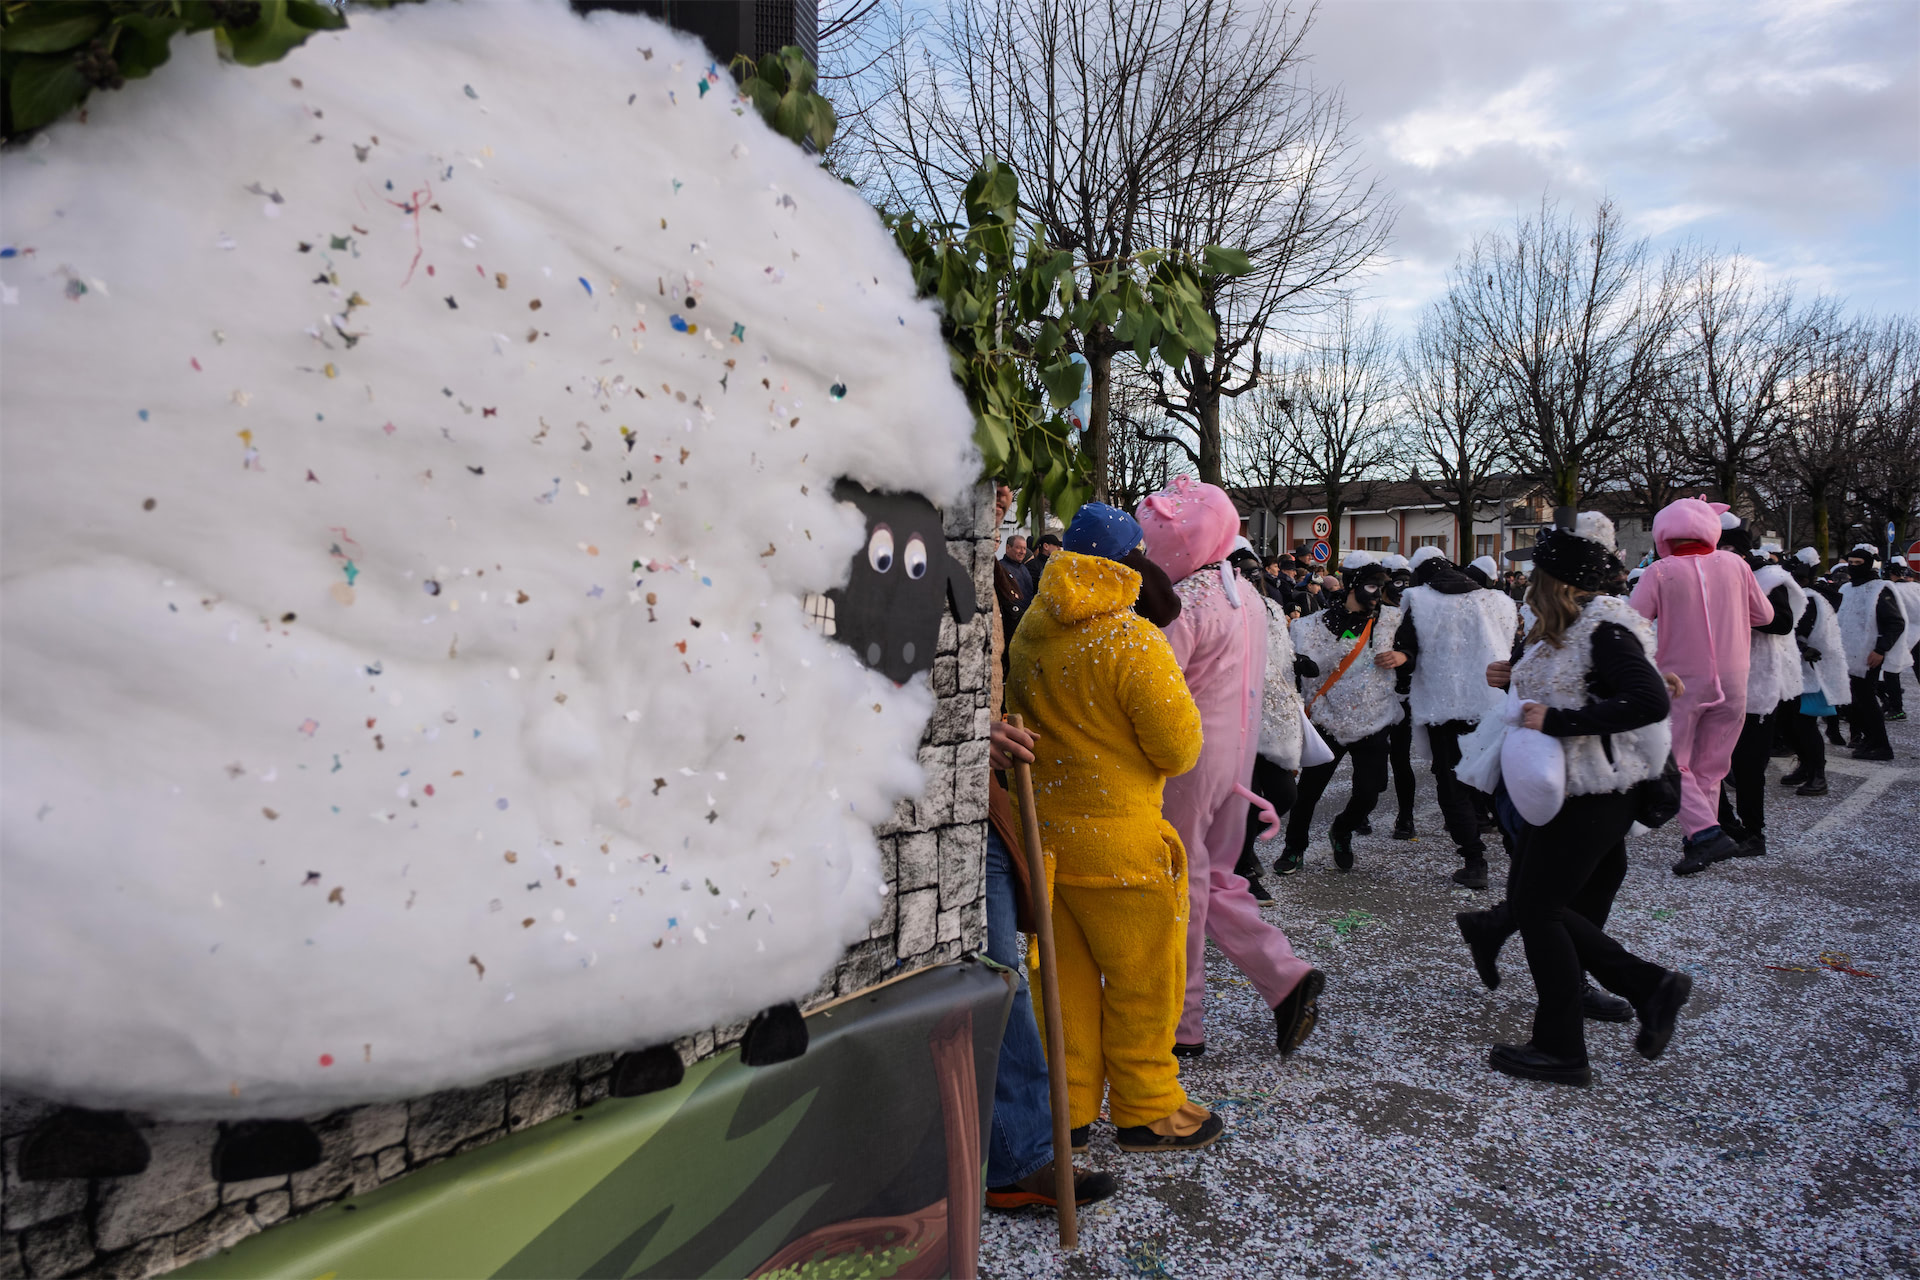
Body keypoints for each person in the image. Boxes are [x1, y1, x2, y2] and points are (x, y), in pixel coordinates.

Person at [1005, 502, 1221, 1153]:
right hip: (1122, 848)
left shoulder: (1031, 630)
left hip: (1047, 844)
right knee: (1143, 983)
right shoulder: (1131, 640)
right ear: (1131, 564)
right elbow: (1178, 749)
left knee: (1061, 985)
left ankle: (1067, 1109)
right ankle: (1147, 1107)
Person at [1474, 515, 1689, 1086]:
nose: (1526, 583)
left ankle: (1564, 1045)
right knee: (1543, 903)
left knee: (1538, 909)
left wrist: (1558, 721)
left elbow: (1646, 700)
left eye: (1534, 574)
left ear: (1554, 579)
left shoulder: (1604, 627)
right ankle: (1645, 988)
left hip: (1594, 792)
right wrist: (1511, 676)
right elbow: (1580, 682)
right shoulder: (1567, 625)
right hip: (1569, 790)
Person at [1138, 477, 1325, 1062]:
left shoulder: (1184, 602)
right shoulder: (1243, 594)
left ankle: (1182, 1021)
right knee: (1215, 878)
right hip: (1234, 761)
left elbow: (1154, 689)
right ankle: (1284, 977)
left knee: (1182, 885)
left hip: (1187, 764)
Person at [982, 721, 1120, 1212]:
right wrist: (961, 736)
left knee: (999, 983)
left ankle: (1021, 1159)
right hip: (886, 819)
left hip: (980, 814)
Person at [1630, 498, 1774, 875]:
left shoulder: (1659, 572)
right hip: (1733, 677)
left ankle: (1705, 834)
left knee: (1669, 760)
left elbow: (1631, 623)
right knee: (1711, 765)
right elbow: (1765, 615)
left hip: (1681, 681)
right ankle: (1699, 840)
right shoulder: (1736, 564)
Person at [1279, 551, 1414, 875]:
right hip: (1327, 718)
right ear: (1353, 585)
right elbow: (1295, 669)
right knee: (1308, 792)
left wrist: (1403, 656)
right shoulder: (1314, 625)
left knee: (1370, 792)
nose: (1378, 594)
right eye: (1371, 586)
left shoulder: (1391, 620)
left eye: (1381, 587)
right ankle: (1294, 847)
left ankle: (1342, 828)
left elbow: (1417, 650)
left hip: (1374, 718)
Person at [1396, 546, 1519, 889]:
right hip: (1491, 701)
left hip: (1442, 705)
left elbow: (1407, 648)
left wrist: (1401, 672)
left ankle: (1474, 861)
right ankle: (1519, 855)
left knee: (1452, 785)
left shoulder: (1418, 599)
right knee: (1496, 781)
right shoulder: (1496, 600)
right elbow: (1511, 646)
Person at [1715, 544, 1802, 858]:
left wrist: (1735, 613)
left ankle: (1753, 832)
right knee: (1706, 763)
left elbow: (1782, 622)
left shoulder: (1769, 578)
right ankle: (1724, 825)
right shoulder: (1706, 573)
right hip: (1714, 684)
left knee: (1748, 765)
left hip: (1756, 685)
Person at [1836, 544, 1915, 761]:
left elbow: (1895, 623)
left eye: (1858, 563)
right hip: (1848, 655)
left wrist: (1881, 649)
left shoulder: (1880, 589)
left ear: (1869, 564)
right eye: (1850, 563)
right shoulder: (1847, 589)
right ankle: (1868, 740)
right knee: (1856, 701)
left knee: (1867, 701)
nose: (1853, 567)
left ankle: (1881, 745)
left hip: (1869, 655)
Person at [1780, 547, 1847, 797]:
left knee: (1804, 725)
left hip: (1810, 673)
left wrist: (1802, 647)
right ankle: (1806, 765)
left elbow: (1801, 630)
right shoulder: (1798, 595)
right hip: (1791, 670)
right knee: (1787, 724)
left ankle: (1818, 775)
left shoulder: (1810, 598)